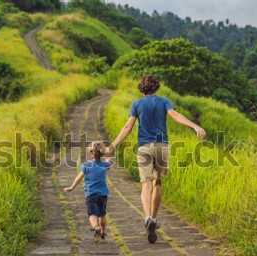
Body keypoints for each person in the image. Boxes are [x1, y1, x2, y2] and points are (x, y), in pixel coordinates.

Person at [106, 75, 206, 244]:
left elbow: (128, 127)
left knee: (145, 185)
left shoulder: (137, 104)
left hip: (144, 147)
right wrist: (195, 126)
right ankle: (154, 216)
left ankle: (147, 219)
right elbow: (175, 116)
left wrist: (113, 145)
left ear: (142, 89)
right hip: (161, 146)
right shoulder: (163, 101)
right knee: (157, 182)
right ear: (156, 87)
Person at [64, 141, 110, 244]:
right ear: (102, 153)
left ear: (91, 152)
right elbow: (108, 164)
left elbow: (79, 178)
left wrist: (72, 187)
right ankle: (102, 232)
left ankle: (95, 227)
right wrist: (107, 157)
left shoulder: (86, 165)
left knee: (92, 214)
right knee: (102, 214)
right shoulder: (104, 165)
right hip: (103, 194)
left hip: (91, 194)